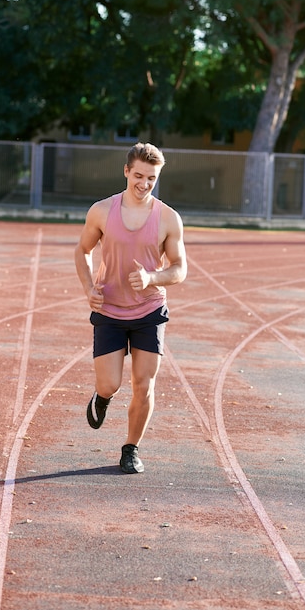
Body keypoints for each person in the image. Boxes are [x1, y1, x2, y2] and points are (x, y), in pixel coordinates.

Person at [75, 142, 187, 474]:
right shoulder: (101, 211)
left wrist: (152, 278)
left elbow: (180, 269)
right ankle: (103, 396)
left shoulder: (168, 218)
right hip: (108, 310)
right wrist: (88, 289)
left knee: (144, 383)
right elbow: (81, 251)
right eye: (138, 175)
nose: (144, 183)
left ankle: (131, 448)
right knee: (110, 383)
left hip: (149, 311)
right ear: (126, 171)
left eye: (151, 178)